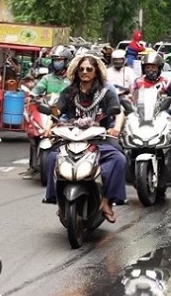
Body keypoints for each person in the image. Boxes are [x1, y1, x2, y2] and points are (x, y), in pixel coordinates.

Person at [42, 54, 127, 223]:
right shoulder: (69, 91)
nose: (85, 72)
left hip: (100, 137)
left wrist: (116, 128)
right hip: (72, 136)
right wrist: (48, 126)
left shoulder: (106, 91)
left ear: (96, 72)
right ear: (76, 72)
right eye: (81, 69)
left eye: (89, 69)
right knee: (51, 157)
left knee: (119, 159)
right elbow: (57, 111)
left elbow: (117, 111)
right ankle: (59, 201)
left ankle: (106, 201)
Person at [20, 45, 72, 178]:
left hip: (66, 114)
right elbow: (37, 90)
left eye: (60, 59)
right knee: (33, 135)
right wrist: (32, 96)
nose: (57, 62)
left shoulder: (72, 80)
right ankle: (32, 166)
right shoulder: (47, 78)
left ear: (67, 61)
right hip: (49, 111)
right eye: (55, 60)